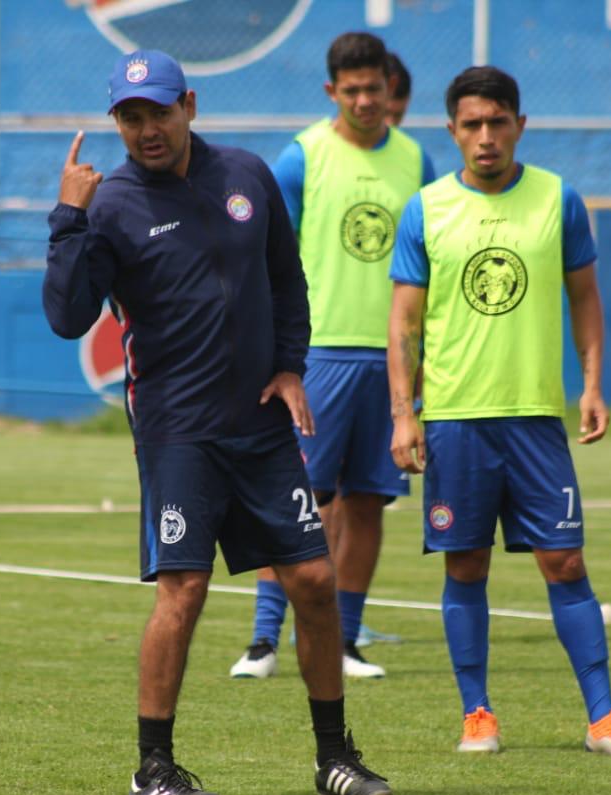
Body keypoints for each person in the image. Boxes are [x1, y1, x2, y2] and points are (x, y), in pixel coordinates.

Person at [42, 49, 393, 795]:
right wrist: (68, 218)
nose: (147, 129)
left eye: (159, 112)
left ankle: (335, 758)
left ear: (190, 105)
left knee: (314, 581)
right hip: (178, 432)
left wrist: (290, 366)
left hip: (260, 425)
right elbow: (67, 317)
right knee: (185, 590)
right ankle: (153, 770)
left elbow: (285, 278)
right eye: (130, 117)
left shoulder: (246, 175)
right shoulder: (109, 205)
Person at [387, 66, 611, 758]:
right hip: (455, 419)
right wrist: (403, 414)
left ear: (520, 126)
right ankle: (477, 715)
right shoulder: (425, 210)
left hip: (535, 418)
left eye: (497, 122)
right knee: (465, 566)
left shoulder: (558, 199)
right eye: (472, 124)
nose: (486, 136)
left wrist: (591, 385)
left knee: (565, 562)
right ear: (452, 130)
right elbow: (404, 322)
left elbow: (585, 298)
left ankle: (603, 720)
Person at [230, 35, 435, 681]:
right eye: (352, 90)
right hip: (318, 354)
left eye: (374, 88)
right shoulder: (303, 157)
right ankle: (264, 640)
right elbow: (267, 261)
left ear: (389, 88)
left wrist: (424, 365)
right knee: (300, 497)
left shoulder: (416, 160)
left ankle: (344, 641)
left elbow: (434, 263)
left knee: (368, 502)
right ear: (331, 91)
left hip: (390, 359)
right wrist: (272, 354)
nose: (365, 100)